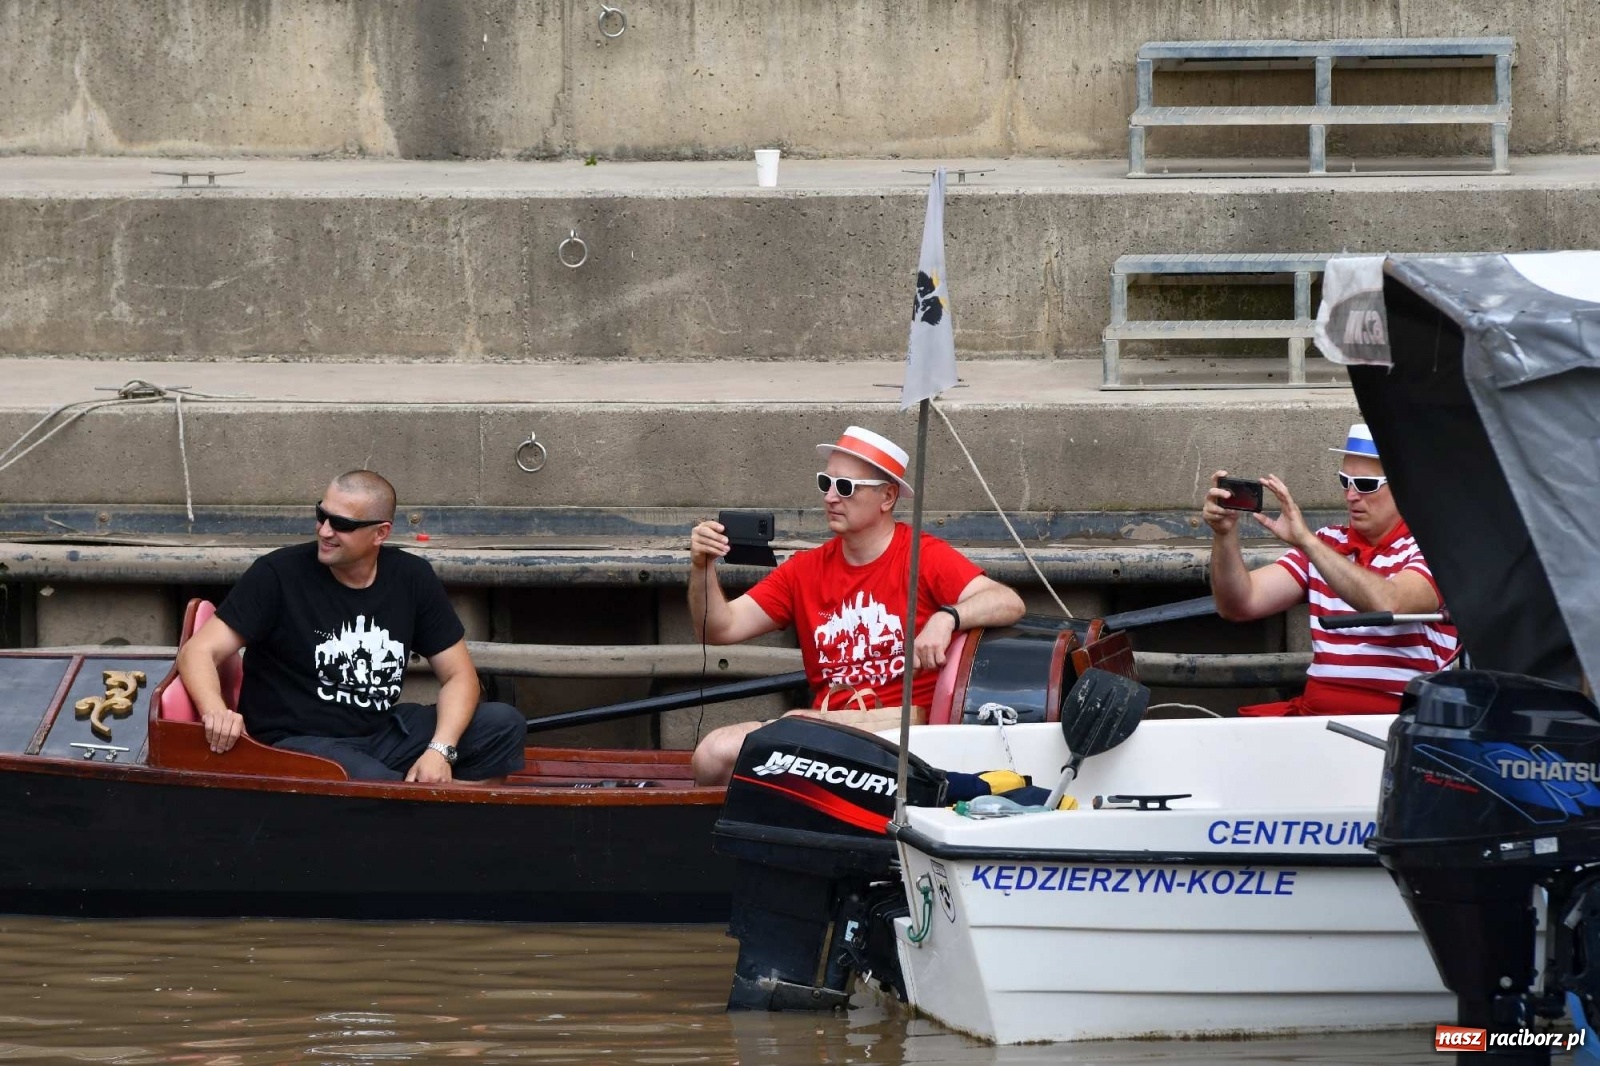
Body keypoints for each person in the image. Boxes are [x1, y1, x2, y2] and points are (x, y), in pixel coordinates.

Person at [687, 426, 1026, 785]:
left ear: (887, 497)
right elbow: (718, 628)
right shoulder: (803, 570)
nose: (831, 497)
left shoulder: (923, 557)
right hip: (830, 735)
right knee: (713, 759)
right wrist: (701, 567)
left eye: (845, 487)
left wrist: (947, 617)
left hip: (903, 739)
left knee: (717, 751)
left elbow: (1008, 601)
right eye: (825, 484)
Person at [177, 470, 526, 782]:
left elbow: (460, 676)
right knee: (375, 782)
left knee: (502, 724)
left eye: (342, 524)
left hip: (382, 733)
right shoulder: (276, 575)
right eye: (321, 515)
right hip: (295, 744)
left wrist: (440, 750)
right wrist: (216, 711)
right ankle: (427, 808)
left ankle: (456, 809)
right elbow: (198, 651)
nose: (325, 531)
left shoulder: (412, 578)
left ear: (380, 533)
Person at [1203, 423, 1458, 716]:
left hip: (1398, 724)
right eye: (1344, 481)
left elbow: (1391, 603)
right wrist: (1224, 535)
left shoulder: (1436, 548)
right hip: (1318, 721)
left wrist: (1308, 543)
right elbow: (1239, 604)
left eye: (1365, 484)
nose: (1350, 495)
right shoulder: (1327, 543)